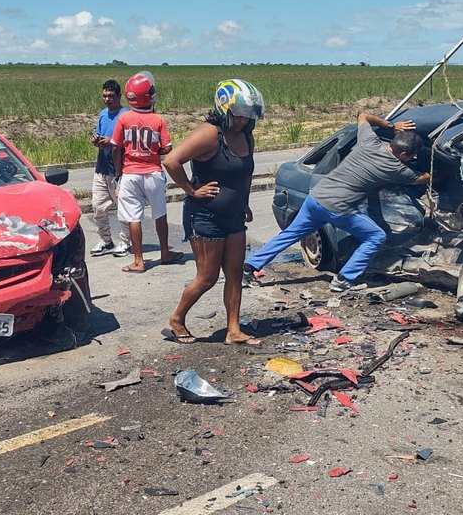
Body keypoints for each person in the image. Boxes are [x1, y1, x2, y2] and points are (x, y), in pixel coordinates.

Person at [244, 111, 427, 293]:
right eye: (412, 157)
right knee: (376, 236)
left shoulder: (369, 141)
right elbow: (424, 178)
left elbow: (362, 115)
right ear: (403, 155)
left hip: (316, 199)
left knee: (289, 235)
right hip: (339, 209)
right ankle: (344, 279)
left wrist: (391, 125)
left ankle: (249, 267)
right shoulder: (396, 169)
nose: (412, 160)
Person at [163, 79, 265, 345]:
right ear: (225, 109)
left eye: (248, 115)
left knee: (234, 272)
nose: (244, 119)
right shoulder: (209, 134)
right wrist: (190, 190)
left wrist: (245, 202)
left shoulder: (246, 136)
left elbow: (246, 172)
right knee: (207, 277)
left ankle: (233, 330)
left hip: (234, 217)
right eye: (240, 114)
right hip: (205, 216)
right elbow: (171, 160)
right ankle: (177, 318)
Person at [112, 71, 182, 273]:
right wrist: (156, 151)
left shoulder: (124, 119)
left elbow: (116, 146)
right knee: (160, 213)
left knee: (134, 217)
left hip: (130, 173)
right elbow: (167, 147)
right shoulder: (158, 119)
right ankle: (165, 252)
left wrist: (119, 172)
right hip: (153, 173)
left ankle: (139, 260)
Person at [88, 79, 131, 258]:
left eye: (111, 96)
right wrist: (97, 140)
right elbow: (99, 134)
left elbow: (127, 141)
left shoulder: (126, 116)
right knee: (97, 206)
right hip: (101, 167)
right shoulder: (102, 115)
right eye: (105, 96)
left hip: (119, 169)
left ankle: (126, 241)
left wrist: (112, 142)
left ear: (119, 96)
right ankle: (106, 240)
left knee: (123, 208)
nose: (107, 100)